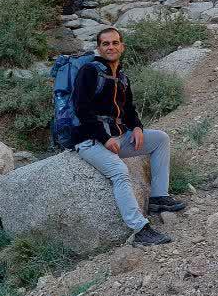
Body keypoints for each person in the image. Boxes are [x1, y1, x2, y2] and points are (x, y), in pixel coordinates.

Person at [72, 25, 185, 246]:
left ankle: (158, 198)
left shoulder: (122, 76)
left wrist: (137, 128)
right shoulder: (89, 72)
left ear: (122, 47)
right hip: (89, 140)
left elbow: (129, 109)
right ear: (99, 48)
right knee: (120, 172)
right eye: (105, 44)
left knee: (160, 139)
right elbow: (81, 109)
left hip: (117, 137)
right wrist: (104, 138)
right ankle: (140, 229)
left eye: (115, 43)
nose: (110, 47)